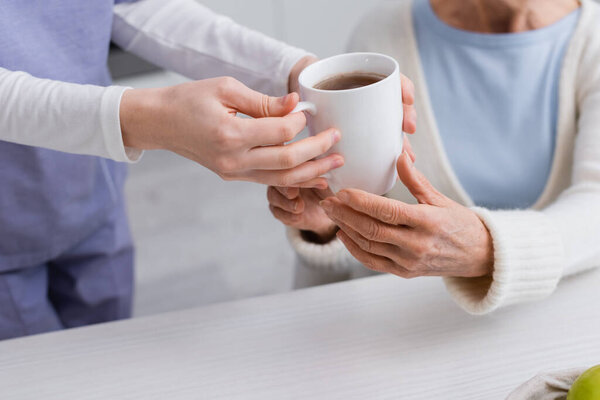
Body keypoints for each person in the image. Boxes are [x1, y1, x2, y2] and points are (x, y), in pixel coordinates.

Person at [0, 0, 356, 341]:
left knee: (105, 350)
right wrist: (145, 120)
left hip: (92, 191)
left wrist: (290, 69)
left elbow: (128, 5)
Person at [268, 0, 600, 315]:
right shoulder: (381, 39)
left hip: (555, 332)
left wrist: (488, 248)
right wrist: (328, 225)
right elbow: (332, 296)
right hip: (404, 332)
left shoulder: (592, 39)